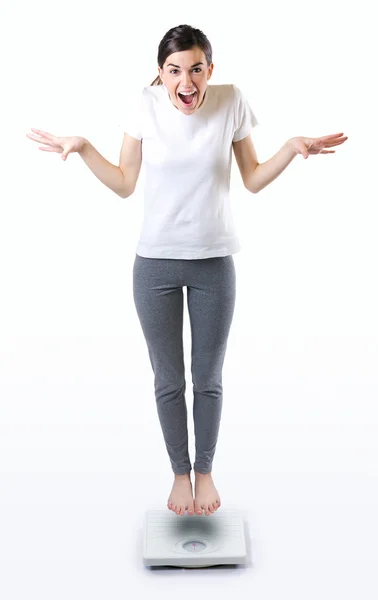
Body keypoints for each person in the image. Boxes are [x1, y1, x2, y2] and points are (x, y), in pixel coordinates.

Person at [26, 24, 348, 519]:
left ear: (209, 70)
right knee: (168, 379)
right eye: (175, 71)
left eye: (196, 69)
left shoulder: (231, 101)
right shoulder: (143, 104)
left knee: (209, 377)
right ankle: (180, 473)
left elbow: (254, 179)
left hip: (214, 262)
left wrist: (290, 148)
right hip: (153, 262)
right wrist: (85, 146)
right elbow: (124, 182)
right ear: (161, 74)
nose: (187, 81)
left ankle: (206, 471)